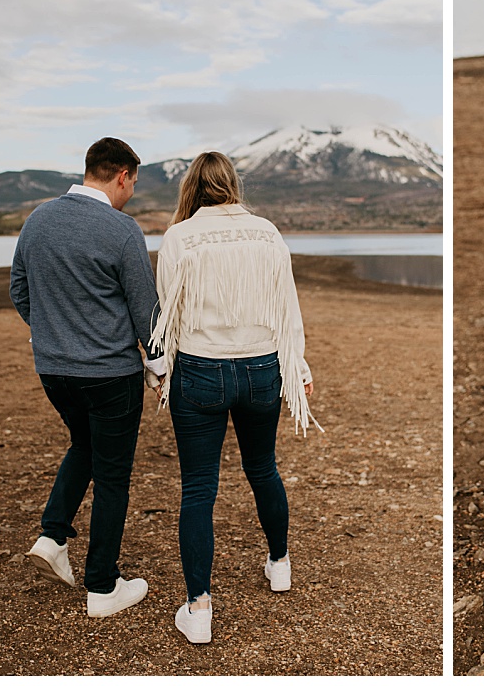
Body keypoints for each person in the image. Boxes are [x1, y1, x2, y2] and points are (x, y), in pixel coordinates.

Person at [149, 152, 315, 645]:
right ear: (231, 185)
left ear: (192, 188)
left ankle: (198, 608)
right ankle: (280, 564)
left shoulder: (179, 237)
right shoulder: (267, 232)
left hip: (201, 370)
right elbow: (288, 307)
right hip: (263, 367)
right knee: (262, 468)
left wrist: (161, 372)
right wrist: (298, 367)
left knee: (198, 487)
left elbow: (168, 317)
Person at [9, 137, 163, 618]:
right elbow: (146, 310)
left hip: (54, 370)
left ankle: (53, 537)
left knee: (84, 446)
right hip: (109, 374)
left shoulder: (39, 218)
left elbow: (18, 287)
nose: (131, 193)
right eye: (133, 183)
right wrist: (159, 366)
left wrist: (54, 334)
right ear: (122, 176)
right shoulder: (121, 229)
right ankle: (102, 585)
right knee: (114, 475)